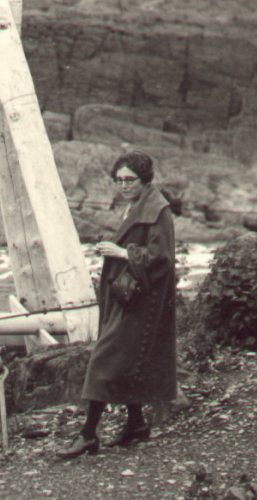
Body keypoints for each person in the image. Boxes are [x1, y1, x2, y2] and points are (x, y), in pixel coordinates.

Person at [57, 151, 176, 458]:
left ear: (145, 179)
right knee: (124, 361)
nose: (123, 186)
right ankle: (135, 423)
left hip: (142, 303)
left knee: (103, 360)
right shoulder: (138, 205)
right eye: (118, 180)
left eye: (129, 180)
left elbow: (162, 258)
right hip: (128, 297)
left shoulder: (158, 209)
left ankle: (88, 434)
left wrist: (122, 253)